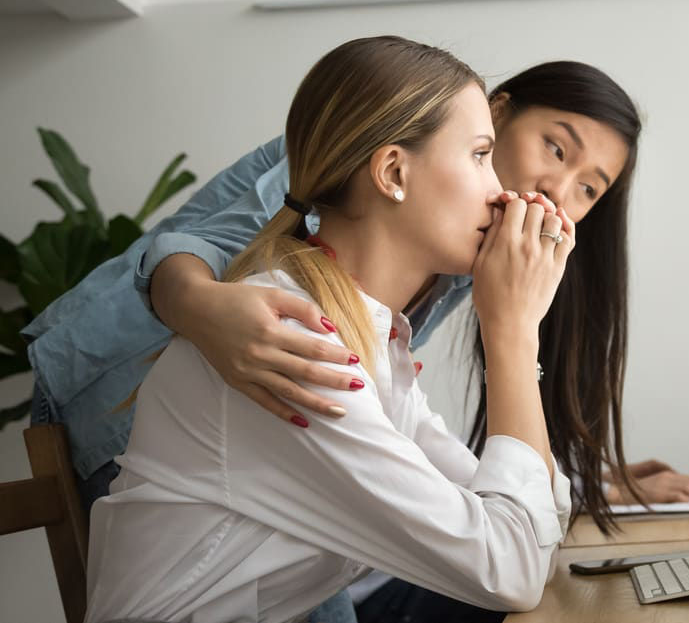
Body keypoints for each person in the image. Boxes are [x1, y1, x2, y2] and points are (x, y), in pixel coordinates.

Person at [85, 36, 574, 621]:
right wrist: (513, 333)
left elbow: (536, 529)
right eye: (478, 155)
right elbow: (512, 570)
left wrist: (518, 331)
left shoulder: (369, 337)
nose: (501, 192)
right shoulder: (298, 344)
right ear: (393, 172)